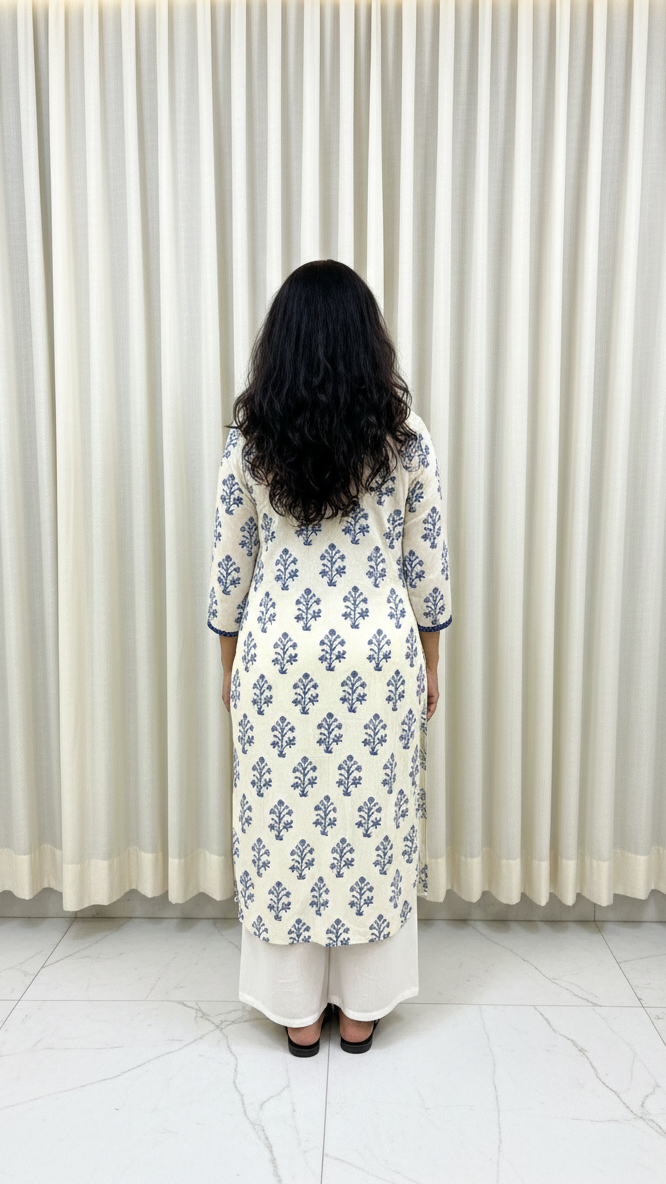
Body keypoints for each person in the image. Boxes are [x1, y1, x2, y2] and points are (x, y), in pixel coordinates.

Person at [206, 260, 452, 1056]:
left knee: (283, 832)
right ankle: (361, 1009)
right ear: (366, 343)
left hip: (278, 657)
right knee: (372, 827)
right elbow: (427, 565)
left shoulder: (252, 440)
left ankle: (297, 1014)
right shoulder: (405, 439)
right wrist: (432, 660)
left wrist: (228, 666)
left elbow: (229, 565)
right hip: (377, 658)